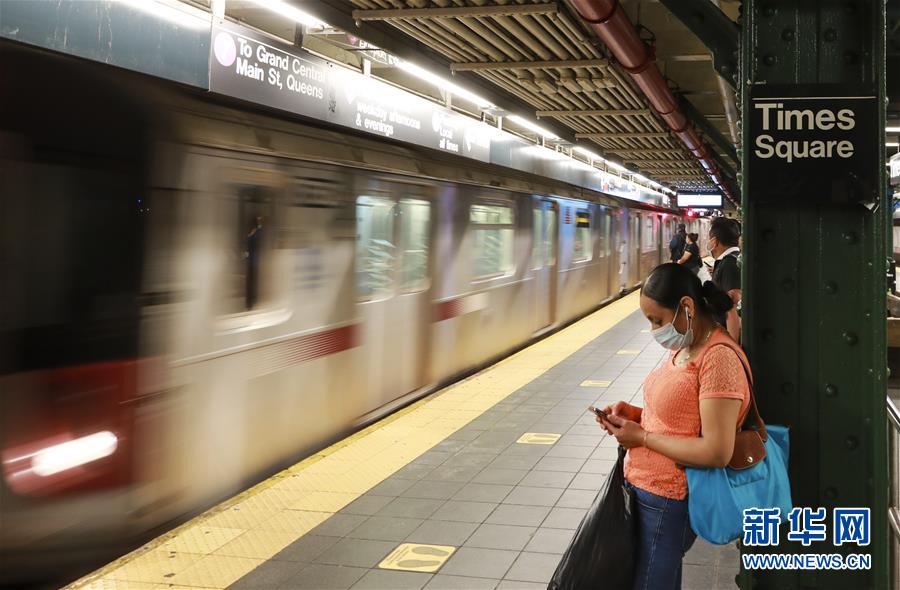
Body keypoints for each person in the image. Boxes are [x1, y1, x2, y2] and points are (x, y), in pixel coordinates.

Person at [596, 263, 751, 590]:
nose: (654, 330)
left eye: (657, 320)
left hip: (668, 500)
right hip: (645, 493)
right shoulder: (687, 345)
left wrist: (642, 437)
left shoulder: (718, 359)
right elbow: (681, 419)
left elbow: (716, 451)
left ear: (686, 307)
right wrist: (635, 415)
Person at [708, 217, 741, 342]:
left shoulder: (728, 264)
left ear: (714, 241)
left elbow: (733, 308)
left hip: (727, 335)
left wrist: (732, 345)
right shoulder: (734, 259)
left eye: (709, 239)